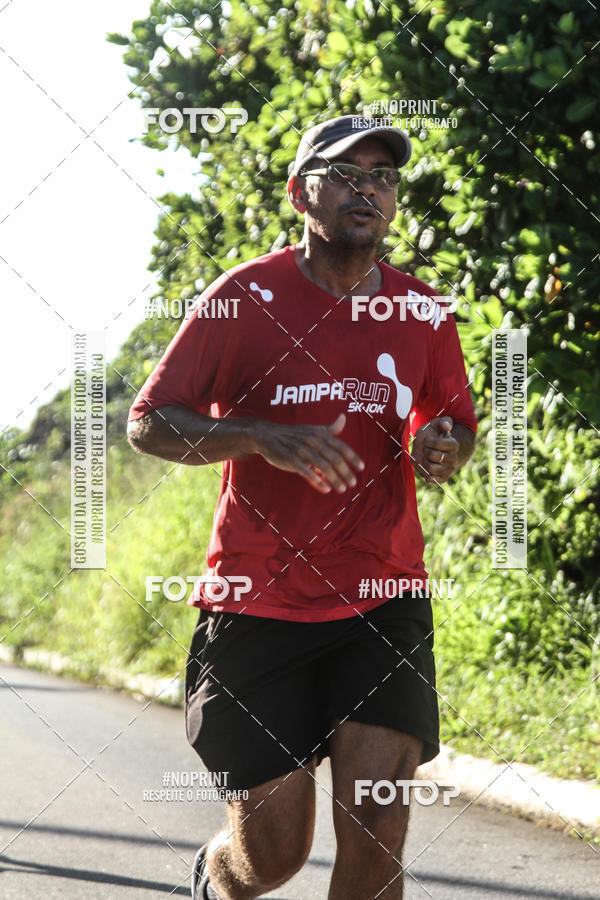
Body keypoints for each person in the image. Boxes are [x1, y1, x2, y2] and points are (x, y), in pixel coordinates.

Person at [127, 114, 477, 900]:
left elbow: (450, 420)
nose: (369, 189)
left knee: (379, 827)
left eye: (383, 176)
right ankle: (217, 880)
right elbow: (149, 422)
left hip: (383, 594)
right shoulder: (242, 299)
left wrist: (443, 444)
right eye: (347, 174)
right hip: (258, 602)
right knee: (273, 853)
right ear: (300, 194)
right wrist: (256, 436)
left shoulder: (425, 312)